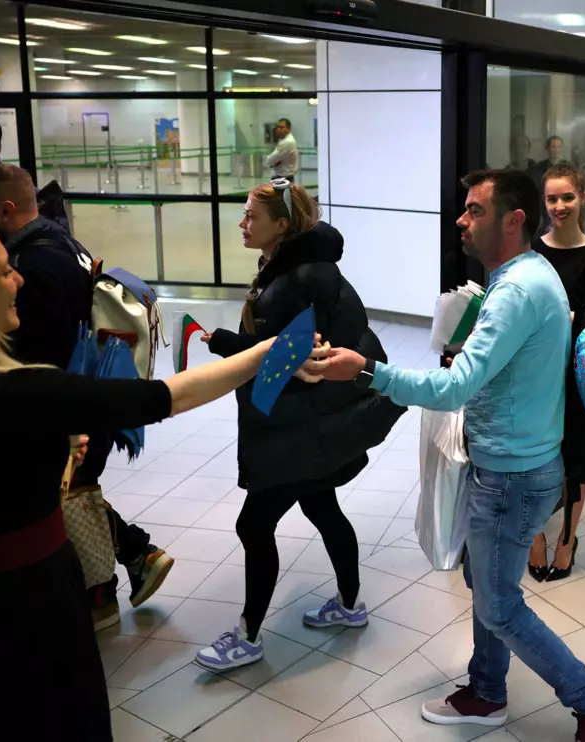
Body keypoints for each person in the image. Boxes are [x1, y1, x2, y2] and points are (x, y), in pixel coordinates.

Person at [0, 213, 285, 741]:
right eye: (2, 274)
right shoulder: (19, 393)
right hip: (35, 602)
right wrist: (262, 354)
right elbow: (166, 397)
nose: (18, 280)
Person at [308, 169, 585, 742]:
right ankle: (486, 691)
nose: (461, 220)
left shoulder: (518, 291)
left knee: (502, 604)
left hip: (513, 474)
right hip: (518, 463)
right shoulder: (527, 276)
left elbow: (452, 388)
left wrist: (365, 371)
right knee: (492, 590)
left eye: (475, 211)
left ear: (514, 221)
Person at [194, 180, 403, 671]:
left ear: (281, 225)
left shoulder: (296, 283)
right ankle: (350, 607)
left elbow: (287, 369)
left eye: (251, 217)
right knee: (323, 507)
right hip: (321, 421)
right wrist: (236, 343)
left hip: (307, 426)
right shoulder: (298, 268)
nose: (243, 224)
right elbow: (287, 355)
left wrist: (228, 347)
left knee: (254, 523)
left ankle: (247, 636)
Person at [0, 163, 174, 630]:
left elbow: (42, 355)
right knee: (78, 497)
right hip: (92, 395)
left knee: (74, 499)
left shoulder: (33, 266)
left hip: (72, 411)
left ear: (5, 210)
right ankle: (136, 556)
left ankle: (104, 595)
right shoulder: (65, 242)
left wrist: (56, 421)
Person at [526, 163, 585, 581]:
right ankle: (534, 537)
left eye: (567, 197)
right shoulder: (533, 250)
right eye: (551, 198)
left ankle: (567, 537)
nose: (559, 206)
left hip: (575, 372)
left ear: (582, 198)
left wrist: (564, 314)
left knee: (574, 460)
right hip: (534, 370)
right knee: (530, 454)